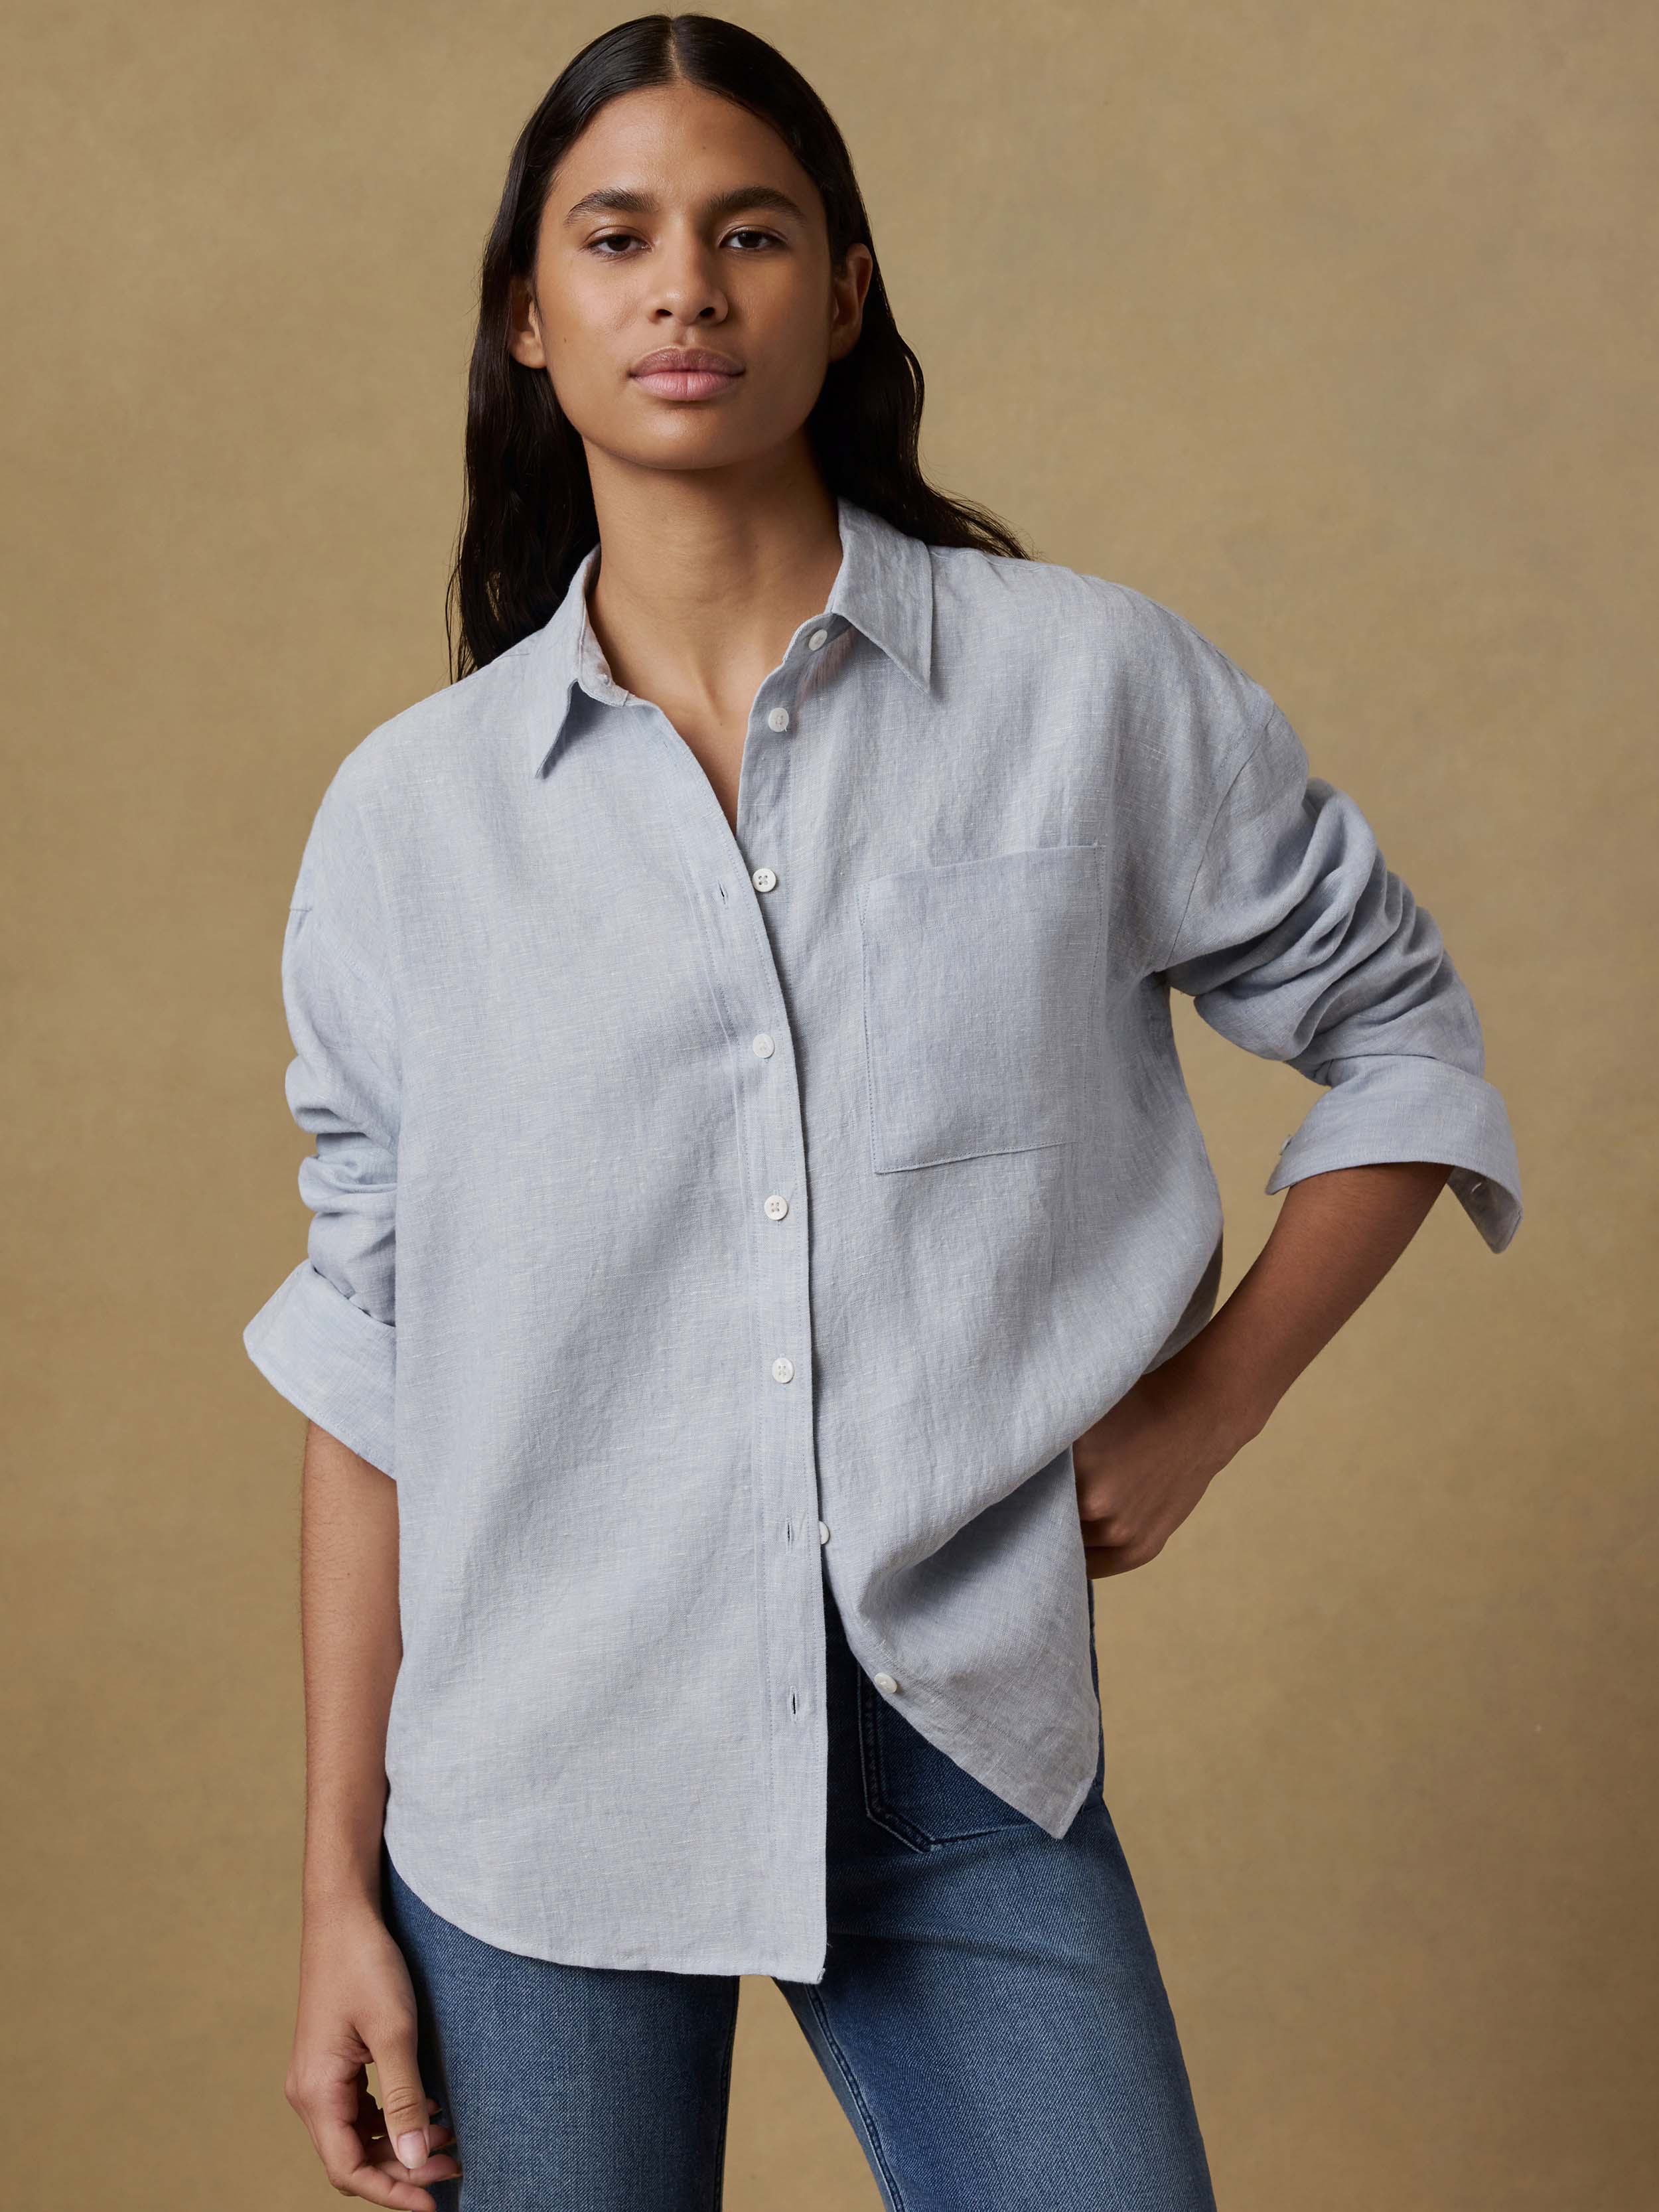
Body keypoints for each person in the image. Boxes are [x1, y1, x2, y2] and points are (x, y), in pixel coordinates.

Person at [242, 15, 1523, 2209]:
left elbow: (1399, 1032)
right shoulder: (410, 821)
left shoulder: (1086, 691)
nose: (684, 288)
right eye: (614, 239)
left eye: (749, 234)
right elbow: (370, 1370)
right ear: (527, 317)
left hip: (954, 1740)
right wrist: (334, 1898)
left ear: (841, 294)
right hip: (532, 1781)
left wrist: (1211, 1402)